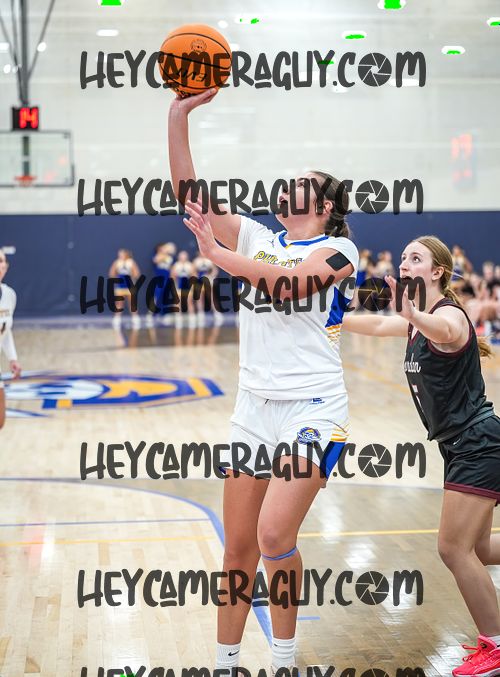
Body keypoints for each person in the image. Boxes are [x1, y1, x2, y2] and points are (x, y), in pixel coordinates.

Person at [168, 87, 359, 673]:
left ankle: (284, 658)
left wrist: (217, 256)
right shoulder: (256, 236)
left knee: (275, 535)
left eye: (300, 182)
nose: (286, 186)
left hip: (312, 407)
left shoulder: (339, 250)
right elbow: (189, 195)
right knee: (237, 549)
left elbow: (288, 287)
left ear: (322, 204)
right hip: (253, 407)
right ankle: (225, 663)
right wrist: (178, 115)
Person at [342, 235, 500, 677]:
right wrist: (329, 318)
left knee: (452, 548)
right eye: (404, 258)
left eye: (416, 258)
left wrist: (413, 314)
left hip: (477, 442)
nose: (405, 264)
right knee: (479, 548)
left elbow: (447, 331)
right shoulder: (417, 321)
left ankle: (496, 645)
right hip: (461, 445)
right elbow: (377, 327)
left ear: (437, 271)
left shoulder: (448, 315)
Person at [0, 248, 22, 428]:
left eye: (1, 261)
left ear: (6, 267)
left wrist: (12, 358)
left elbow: (5, 331)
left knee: (0, 420)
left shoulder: (9, 295)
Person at [109, 248, 141, 329]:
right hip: (120, 286)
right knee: (119, 303)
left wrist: (131, 277)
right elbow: (111, 273)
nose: (120, 255)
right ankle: (117, 319)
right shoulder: (117, 262)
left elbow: (137, 273)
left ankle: (135, 318)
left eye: (122, 254)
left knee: (132, 303)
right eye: (119, 254)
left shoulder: (131, 262)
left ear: (126, 254)